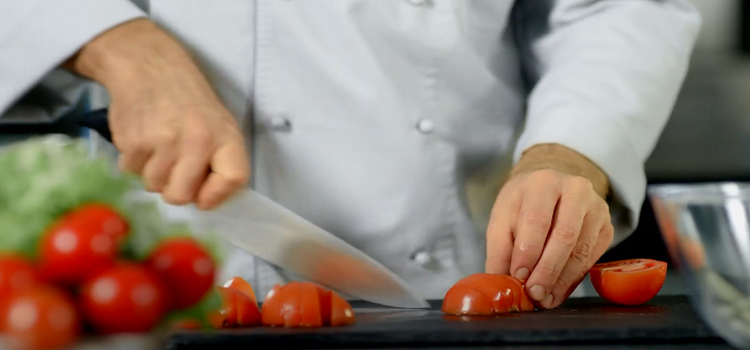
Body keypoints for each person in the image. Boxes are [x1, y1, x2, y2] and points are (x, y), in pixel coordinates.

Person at [0, 0, 701, 308]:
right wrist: (115, 43)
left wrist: (572, 150)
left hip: (452, 278)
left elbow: (620, 6)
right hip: (143, 284)